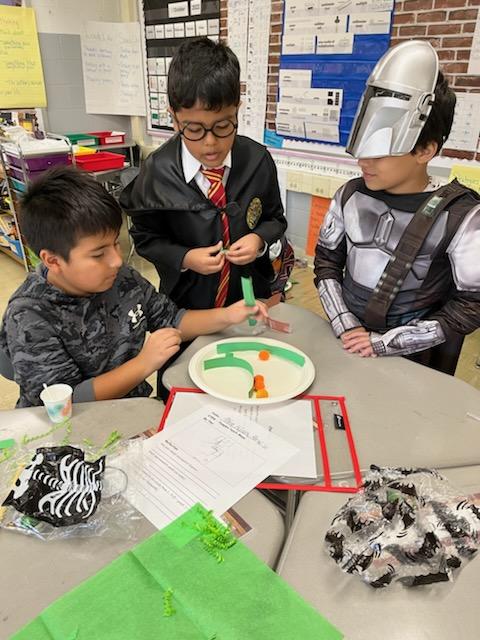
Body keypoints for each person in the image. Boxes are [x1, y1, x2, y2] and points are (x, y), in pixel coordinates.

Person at [0, 167, 267, 408]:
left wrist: (230, 315)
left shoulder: (122, 278)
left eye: (116, 243)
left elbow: (172, 320)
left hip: (132, 409)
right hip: (74, 429)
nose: (117, 260)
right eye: (98, 254)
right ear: (53, 260)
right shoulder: (29, 316)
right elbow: (65, 403)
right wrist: (144, 363)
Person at [314, 40, 480, 375]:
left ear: (425, 151)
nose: (364, 161)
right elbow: (327, 263)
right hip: (343, 340)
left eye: (381, 151)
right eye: (364, 146)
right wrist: (345, 324)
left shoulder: (463, 215)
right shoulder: (349, 195)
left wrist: (386, 343)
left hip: (415, 362)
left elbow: (471, 305)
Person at [119, 36, 291, 311]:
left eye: (223, 125)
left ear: (237, 110)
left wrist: (258, 239)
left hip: (248, 298)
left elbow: (274, 219)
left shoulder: (258, 161)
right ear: (174, 118)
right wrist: (185, 257)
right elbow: (146, 238)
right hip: (187, 305)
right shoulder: (157, 170)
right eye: (194, 129)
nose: (210, 144)